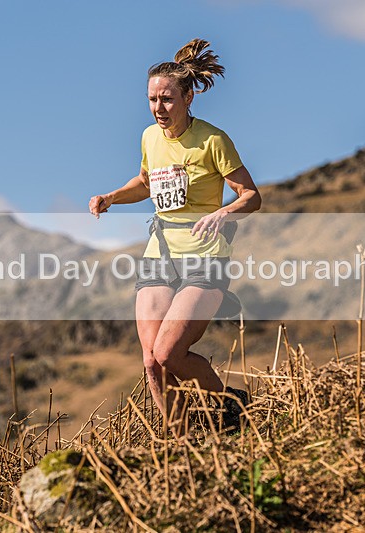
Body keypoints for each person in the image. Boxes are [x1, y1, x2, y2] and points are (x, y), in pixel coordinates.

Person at [89, 39, 261, 435]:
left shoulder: (212, 140)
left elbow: (251, 196)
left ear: (188, 97)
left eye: (166, 99)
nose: (158, 108)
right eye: (151, 99)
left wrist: (224, 212)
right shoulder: (150, 138)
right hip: (160, 255)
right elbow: (147, 183)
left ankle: (233, 410)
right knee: (151, 361)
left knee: (169, 353)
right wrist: (111, 197)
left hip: (204, 259)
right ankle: (179, 447)